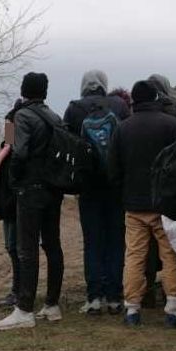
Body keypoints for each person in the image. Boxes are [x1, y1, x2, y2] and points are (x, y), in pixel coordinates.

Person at [110, 79, 176, 328]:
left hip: (133, 204)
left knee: (134, 256)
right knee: (170, 255)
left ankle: (132, 308)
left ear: (133, 101)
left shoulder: (123, 128)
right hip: (165, 205)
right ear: (156, 98)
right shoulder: (173, 125)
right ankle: (174, 308)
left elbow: (114, 169)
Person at [0, 72, 66, 331]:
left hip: (29, 189)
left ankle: (24, 308)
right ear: (44, 92)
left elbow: (16, 150)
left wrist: (13, 181)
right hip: (53, 188)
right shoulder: (55, 117)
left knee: (27, 249)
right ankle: (52, 304)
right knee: (52, 245)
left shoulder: (18, 117)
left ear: (24, 90)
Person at [64, 70, 129, 316]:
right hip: (115, 185)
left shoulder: (73, 109)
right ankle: (114, 296)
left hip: (88, 186)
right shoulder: (119, 105)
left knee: (92, 242)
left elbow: (67, 144)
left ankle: (94, 297)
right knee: (115, 241)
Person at [0, 98, 25, 309]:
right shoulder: (7, 150)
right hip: (8, 206)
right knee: (12, 247)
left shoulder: (16, 151)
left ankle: (20, 290)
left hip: (15, 206)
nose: (6, 131)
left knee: (16, 248)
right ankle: (18, 289)